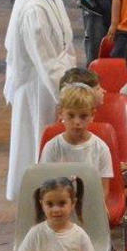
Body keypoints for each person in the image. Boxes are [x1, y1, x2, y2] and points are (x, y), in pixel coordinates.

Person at [3, 0, 76, 200]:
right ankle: (38, 197)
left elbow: (66, 48)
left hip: (56, 83)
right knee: (37, 141)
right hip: (39, 88)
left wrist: (72, 82)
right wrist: (66, 96)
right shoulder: (34, 10)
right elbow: (45, 61)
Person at [39, 83, 115, 211]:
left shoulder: (101, 148)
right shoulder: (52, 147)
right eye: (71, 115)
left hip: (90, 207)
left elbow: (103, 190)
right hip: (59, 208)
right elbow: (46, 185)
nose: (77, 122)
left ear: (92, 115)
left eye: (83, 116)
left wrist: (95, 209)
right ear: (61, 114)